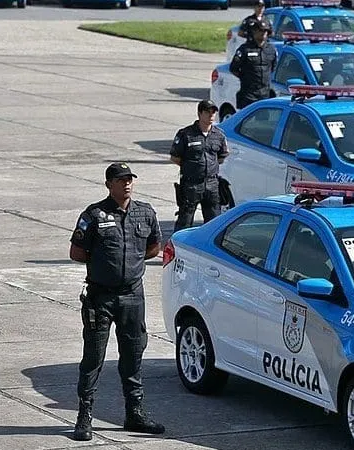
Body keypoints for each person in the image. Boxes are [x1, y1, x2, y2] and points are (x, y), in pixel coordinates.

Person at [69, 163, 165, 441]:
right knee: (93, 358)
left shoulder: (145, 212)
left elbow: (153, 247)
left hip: (133, 295)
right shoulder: (94, 215)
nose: (127, 184)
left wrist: (129, 265)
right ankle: (84, 416)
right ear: (108, 184)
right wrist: (104, 265)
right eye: (121, 180)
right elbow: (77, 251)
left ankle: (134, 413)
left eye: (129, 179)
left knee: (133, 354)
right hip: (101, 297)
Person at [170, 99, 230, 231]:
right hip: (191, 184)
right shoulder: (186, 134)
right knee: (185, 220)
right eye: (207, 112)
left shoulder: (218, 135)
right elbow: (175, 157)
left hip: (212, 184)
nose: (211, 115)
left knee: (214, 222)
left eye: (213, 112)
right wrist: (192, 168)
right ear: (199, 113)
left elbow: (221, 156)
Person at [230, 19, 277, 110]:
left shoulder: (271, 49)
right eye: (260, 30)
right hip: (248, 95)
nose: (263, 33)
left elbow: (272, 67)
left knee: (263, 122)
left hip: (265, 95)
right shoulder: (245, 49)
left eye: (265, 31)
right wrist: (245, 78)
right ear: (254, 32)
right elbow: (233, 68)